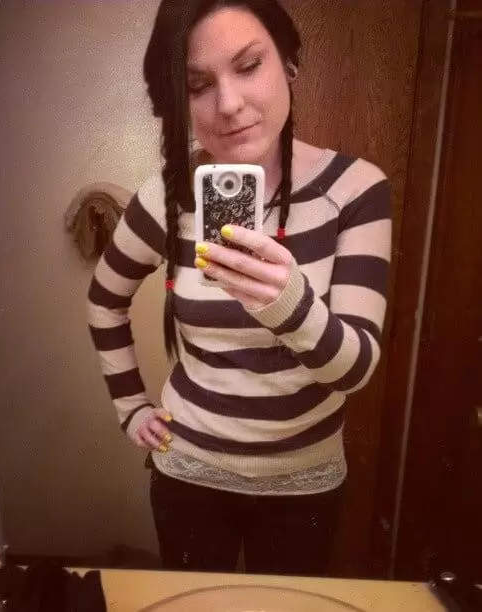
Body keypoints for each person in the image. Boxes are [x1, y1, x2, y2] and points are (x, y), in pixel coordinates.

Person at [87, 0, 391, 576]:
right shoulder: (166, 196)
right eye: (197, 85)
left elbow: (354, 370)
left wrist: (284, 301)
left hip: (305, 482)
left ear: (289, 63)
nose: (228, 104)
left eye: (249, 66)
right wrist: (130, 407)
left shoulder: (355, 190)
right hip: (189, 474)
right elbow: (105, 300)